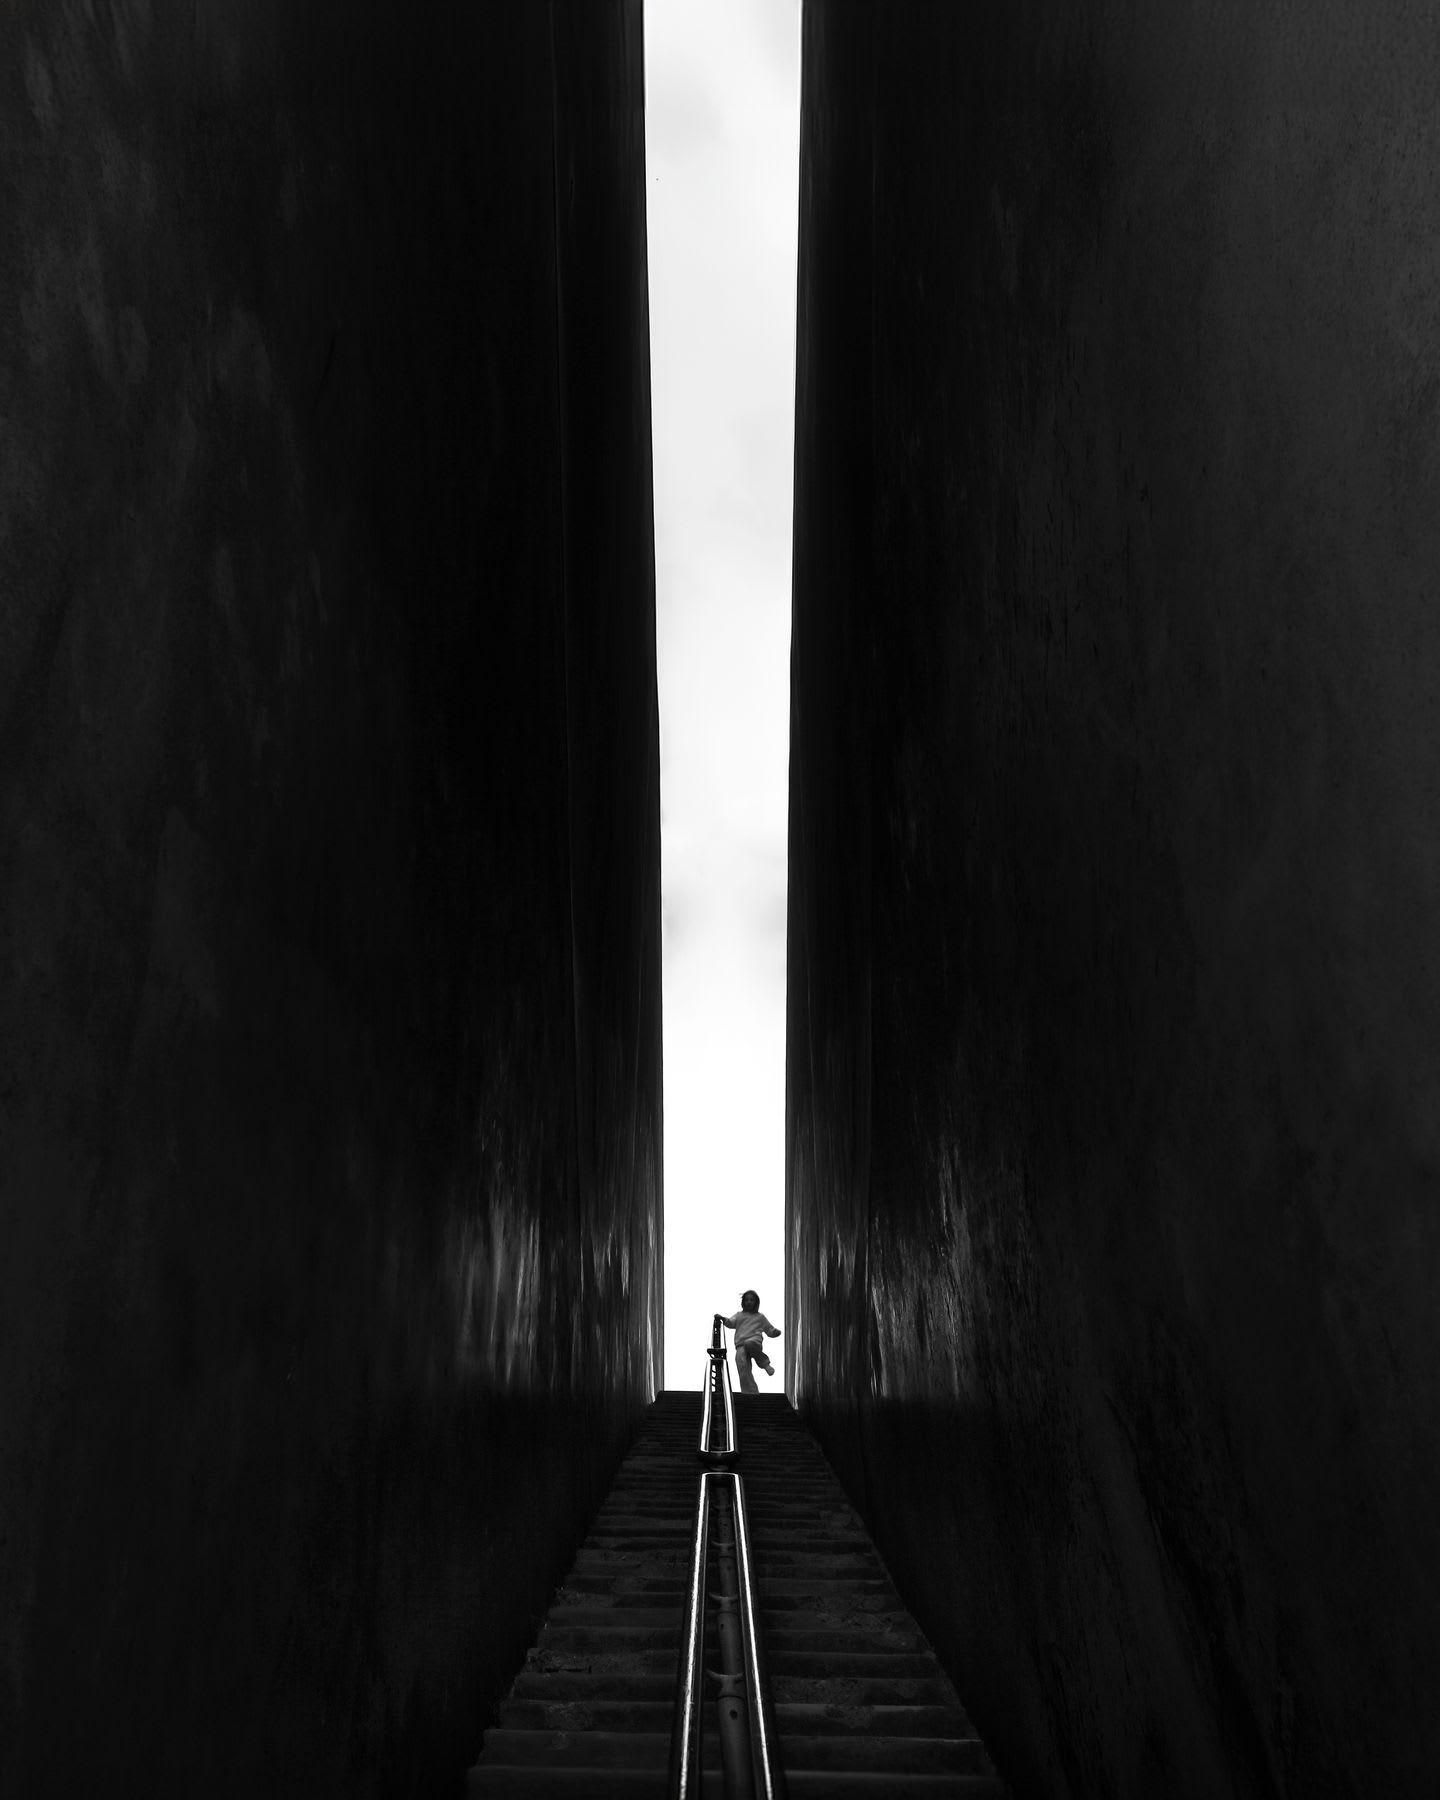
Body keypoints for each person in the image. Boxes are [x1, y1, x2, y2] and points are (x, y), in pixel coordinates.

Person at [721, 1290, 782, 1395]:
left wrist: (775, 1332)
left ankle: (765, 1364)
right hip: (740, 1346)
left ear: (756, 1302)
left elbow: (769, 1329)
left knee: (749, 1343)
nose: (749, 1302)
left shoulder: (760, 1317)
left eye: (752, 1300)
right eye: (747, 1300)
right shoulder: (739, 1315)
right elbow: (731, 1322)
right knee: (743, 1368)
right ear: (743, 1302)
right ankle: (750, 1393)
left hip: (754, 1340)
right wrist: (723, 1319)